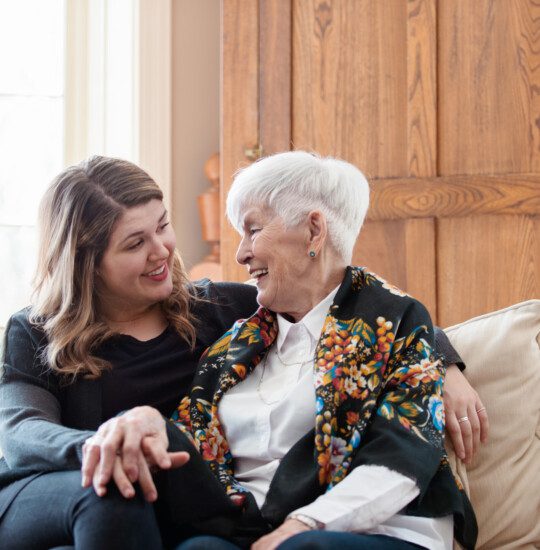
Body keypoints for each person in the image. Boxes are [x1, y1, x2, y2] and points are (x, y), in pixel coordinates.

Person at [0, 155, 483, 549]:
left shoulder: (212, 309)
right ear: (87, 263)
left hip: (168, 500)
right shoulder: (37, 329)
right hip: (53, 483)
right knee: (112, 488)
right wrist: (105, 446)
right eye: (134, 243)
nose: (162, 250)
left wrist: (443, 359)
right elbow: (18, 433)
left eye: (162, 227)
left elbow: (345, 291)